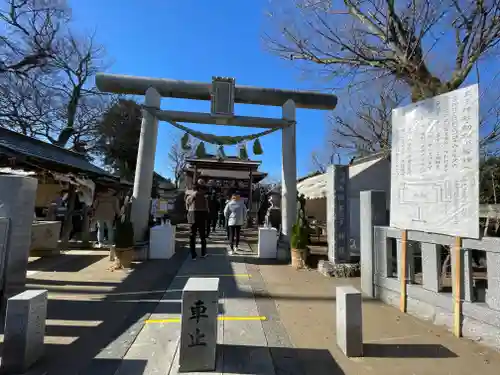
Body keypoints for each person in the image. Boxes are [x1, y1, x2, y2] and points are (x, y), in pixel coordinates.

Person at [185, 182, 209, 260]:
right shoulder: (204, 197)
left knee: (192, 235)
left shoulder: (189, 196)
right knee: (202, 235)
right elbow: (207, 208)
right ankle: (203, 253)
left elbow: (187, 207)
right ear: (200, 189)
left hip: (191, 214)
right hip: (201, 215)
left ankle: (193, 255)